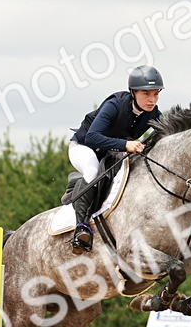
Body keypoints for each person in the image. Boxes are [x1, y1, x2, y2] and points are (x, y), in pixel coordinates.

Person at [66, 65, 164, 253]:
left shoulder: (153, 113)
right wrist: (125, 144)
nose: (152, 99)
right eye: (146, 94)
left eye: (156, 94)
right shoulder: (115, 105)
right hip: (84, 147)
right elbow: (92, 137)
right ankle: (81, 228)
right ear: (133, 92)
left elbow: (166, 132)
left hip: (111, 152)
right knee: (92, 171)